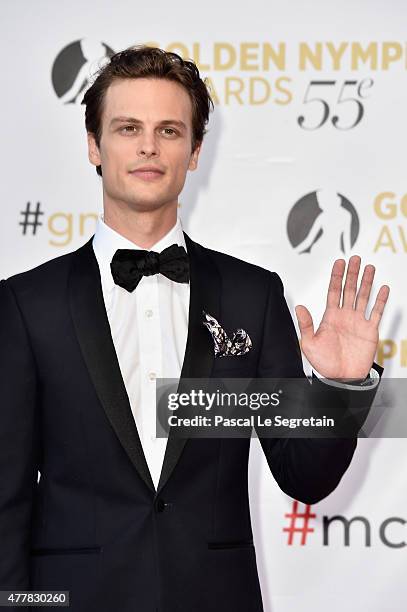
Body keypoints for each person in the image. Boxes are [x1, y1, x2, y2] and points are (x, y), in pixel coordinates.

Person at [0, 46, 389, 612]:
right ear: (94, 146)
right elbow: (5, 498)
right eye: (128, 127)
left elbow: (305, 477)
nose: (149, 147)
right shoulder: (24, 303)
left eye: (169, 130)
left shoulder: (251, 295)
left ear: (196, 149)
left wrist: (340, 388)